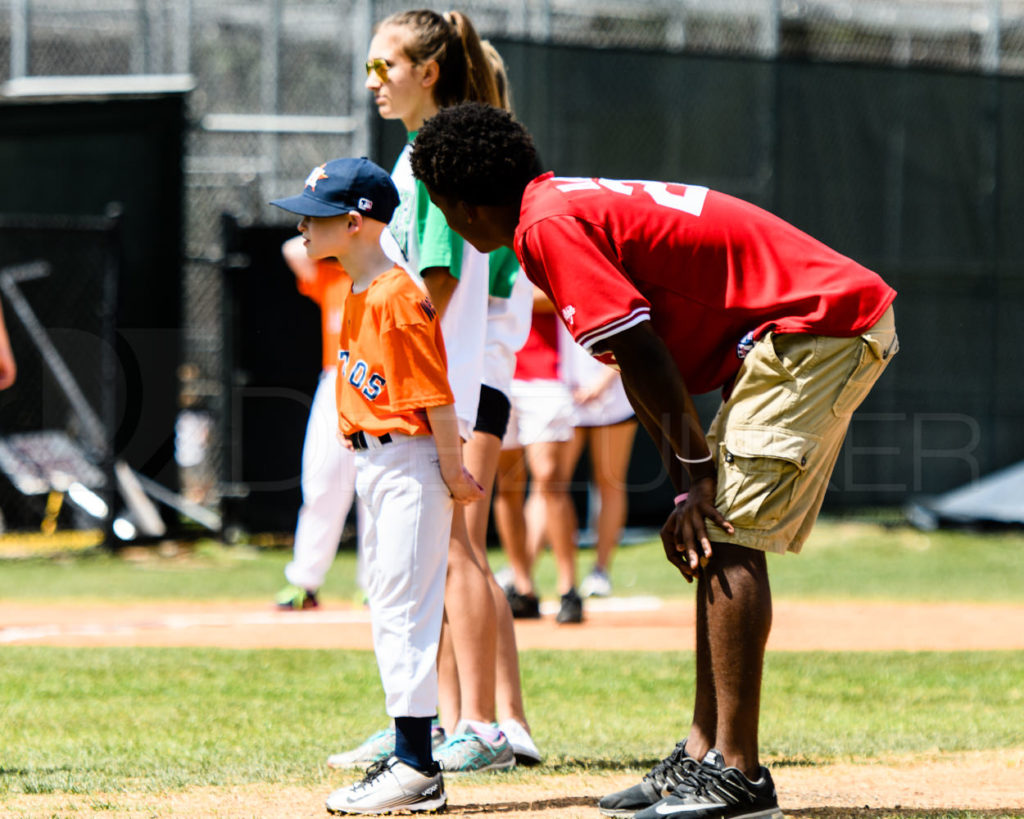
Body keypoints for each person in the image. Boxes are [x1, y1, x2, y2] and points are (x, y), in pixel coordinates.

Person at [410, 101, 899, 819]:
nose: (451, 226)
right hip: (793, 329)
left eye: (445, 209)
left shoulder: (543, 226)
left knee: (727, 531)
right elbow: (636, 361)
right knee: (710, 528)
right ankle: (703, 754)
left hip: (818, 327)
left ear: (464, 202)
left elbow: (643, 351)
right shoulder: (553, 205)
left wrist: (698, 475)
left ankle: (739, 774)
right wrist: (682, 489)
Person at [343, 8, 538, 772]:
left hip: (461, 376)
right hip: (457, 373)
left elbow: (441, 277)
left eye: (384, 66)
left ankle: (479, 723)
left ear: (427, 71)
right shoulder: (421, 153)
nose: (373, 82)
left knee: (459, 546)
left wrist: (412, 368)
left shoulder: (433, 156)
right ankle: (439, 719)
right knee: (450, 549)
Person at [270, 156, 484, 814]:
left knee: (406, 612)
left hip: (413, 462)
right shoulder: (362, 290)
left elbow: (436, 394)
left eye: (318, 215)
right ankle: (408, 756)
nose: (304, 226)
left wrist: (452, 470)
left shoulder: (395, 293)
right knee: (390, 608)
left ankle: (416, 765)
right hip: (379, 463)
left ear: (357, 222)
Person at [274, 237, 358, 611]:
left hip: (381, 381)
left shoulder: (388, 275)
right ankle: (304, 583)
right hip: (335, 382)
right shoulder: (334, 273)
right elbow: (292, 249)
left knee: (377, 490)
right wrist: (339, 236)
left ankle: (376, 585)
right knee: (322, 483)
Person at [492, 286, 582, 624]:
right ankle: (523, 585)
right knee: (508, 483)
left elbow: (560, 296)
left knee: (549, 478)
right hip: (497, 371)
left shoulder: (536, 238)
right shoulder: (477, 241)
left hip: (545, 373)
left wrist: (497, 294)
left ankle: (568, 587)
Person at [559, 326, 638, 599]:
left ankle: (600, 571)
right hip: (561, 388)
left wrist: (604, 379)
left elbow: (630, 327)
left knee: (611, 481)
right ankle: (546, 577)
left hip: (613, 393)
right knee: (551, 486)